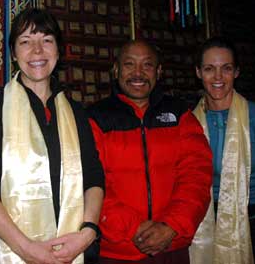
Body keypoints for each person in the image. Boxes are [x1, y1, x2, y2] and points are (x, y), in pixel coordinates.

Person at [0, 7, 105, 264]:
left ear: (58, 51)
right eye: (25, 42)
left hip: (73, 248)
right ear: (14, 53)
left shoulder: (75, 111)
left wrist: (88, 233)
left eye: (46, 40)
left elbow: (93, 175)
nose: (37, 51)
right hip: (4, 251)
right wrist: (26, 248)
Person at [87, 39, 213, 264]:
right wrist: (135, 228)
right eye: (129, 64)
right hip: (116, 250)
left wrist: (171, 225)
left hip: (171, 246)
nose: (138, 73)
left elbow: (197, 175)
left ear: (158, 71)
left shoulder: (180, 115)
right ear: (116, 70)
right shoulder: (95, 118)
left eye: (147, 65)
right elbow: (90, 182)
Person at [190, 36, 255, 264]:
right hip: (205, 223)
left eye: (226, 68)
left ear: (236, 72)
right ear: (198, 72)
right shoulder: (189, 122)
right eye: (209, 69)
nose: (218, 77)